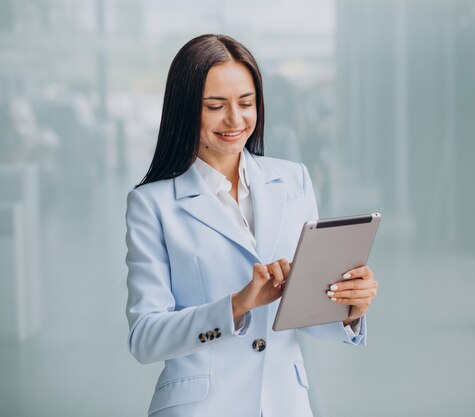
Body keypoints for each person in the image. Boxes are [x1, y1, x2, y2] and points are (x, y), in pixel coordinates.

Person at [124, 34, 379, 417]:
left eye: (246, 103)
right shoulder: (152, 204)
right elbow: (145, 339)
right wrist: (237, 305)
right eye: (215, 106)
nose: (235, 120)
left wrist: (350, 306)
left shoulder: (294, 180)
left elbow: (305, 317)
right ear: (185, 108)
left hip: (285, 404)